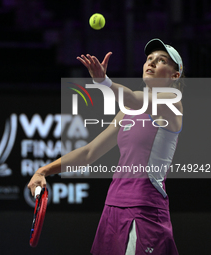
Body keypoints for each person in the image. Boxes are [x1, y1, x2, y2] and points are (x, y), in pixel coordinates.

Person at [28, 38, 184, 254]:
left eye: (161, 60)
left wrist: (104, 82)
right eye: (149, 59)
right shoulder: (128, 111)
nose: (152, 63)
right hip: (112, 209)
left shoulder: (172, 103)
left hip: (144, 211)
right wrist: (43, 170)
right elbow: (89, 153)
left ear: (175, 75)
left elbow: (133, 97)